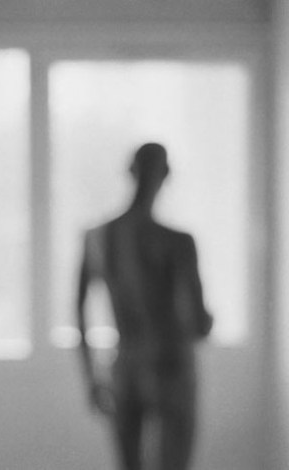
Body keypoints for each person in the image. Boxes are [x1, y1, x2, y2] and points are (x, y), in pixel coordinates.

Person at [77, 142, 214, 470]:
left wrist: (91, 376)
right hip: (171, 367)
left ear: (131, 172)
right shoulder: (178, 242)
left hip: (125, 366)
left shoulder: (99, 237)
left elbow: (78, 310)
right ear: (166, 174)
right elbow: (199, 322)